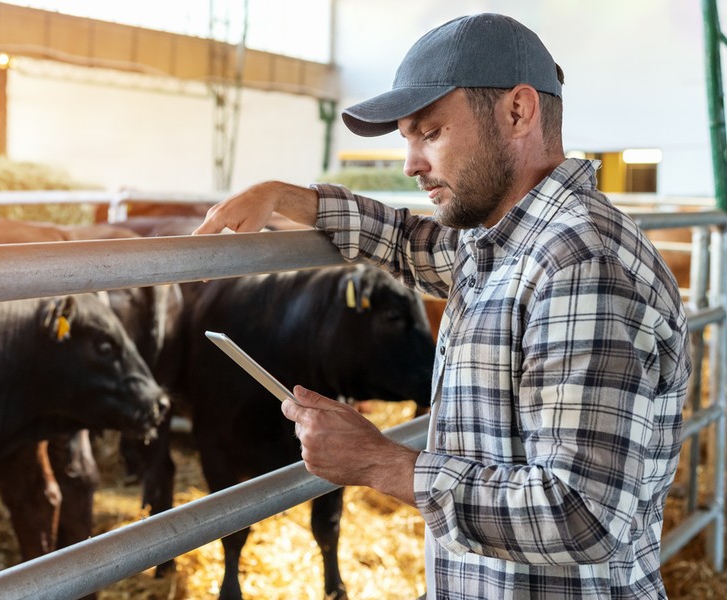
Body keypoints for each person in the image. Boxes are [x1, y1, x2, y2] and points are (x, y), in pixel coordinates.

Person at [193, 13, 691, 600]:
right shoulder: (506, 240)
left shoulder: (582, 266)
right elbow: (409, 243)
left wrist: (380, 462)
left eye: (429, 133)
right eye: (408, 139)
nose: (410, 163)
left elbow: (581, 514)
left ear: (518, 111)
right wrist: (287, 197)